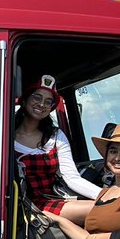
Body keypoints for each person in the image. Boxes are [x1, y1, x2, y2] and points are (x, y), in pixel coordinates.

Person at [15, 74, 101, 225]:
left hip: (51, 200)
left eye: (48, 102)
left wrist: (103, 195)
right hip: (21, 206)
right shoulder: (5, 134)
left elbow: (71, 178)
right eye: (37, 97)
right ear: (25, 99)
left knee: (109, 207)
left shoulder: (56, 135)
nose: (42, 104)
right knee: (108, 210)